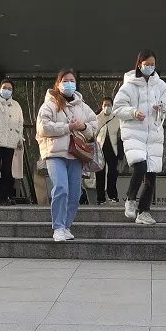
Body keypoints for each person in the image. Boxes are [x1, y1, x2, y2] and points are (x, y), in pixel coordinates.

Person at [114, 50, 166, 225]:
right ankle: (130, 198)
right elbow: (117, 108)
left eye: (152, 64)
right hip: (134, 133)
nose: (149, 67)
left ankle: (144, 211)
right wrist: (133, 112)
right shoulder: (129, 86)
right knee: (140, 166)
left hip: (154, 135)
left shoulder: (161, 85)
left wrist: (162, 108)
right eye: (146, 64)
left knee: (151, 174)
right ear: (139, 64)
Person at [36, 69, 98, 241]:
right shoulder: (49, 105)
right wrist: (67, 127)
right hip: (55, 153)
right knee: (61, 188)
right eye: (65, 80)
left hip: (76, 155)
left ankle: (66, 225)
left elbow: (94, 125)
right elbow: (43, 128)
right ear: (58, 83)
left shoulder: (83, 106)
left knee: (75, 193)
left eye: (72, 80)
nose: (69, 83)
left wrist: (82, 127)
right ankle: (58, 226)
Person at [95, 96, 122, 204]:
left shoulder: (117, 118)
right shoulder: (97, 118)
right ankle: (100, 198)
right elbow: (93, 133)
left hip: (113, 149)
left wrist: (121, 151)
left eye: (109, 105)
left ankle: (113, 196)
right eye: (105, 105)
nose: (107, 107)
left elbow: (120, 135)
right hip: (99, 149)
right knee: (99, 174)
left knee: (112, 174)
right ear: (101, 106)